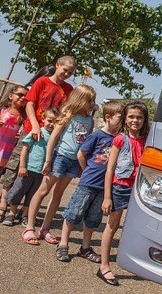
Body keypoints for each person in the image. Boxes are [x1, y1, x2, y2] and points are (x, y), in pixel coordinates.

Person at [22, 84, 96, 246]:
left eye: (93, 100)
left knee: (58, 195)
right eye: (89, 100)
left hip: (74, 162)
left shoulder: (90, 121)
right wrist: (48, 160)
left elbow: (86, 145)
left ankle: (45, 228)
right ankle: (29, 227)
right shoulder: (67, 114)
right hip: (60, 158)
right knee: (43, 191)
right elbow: (54, 139)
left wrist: (82, 167)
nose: (92, 103)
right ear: (79, 99)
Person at [55, 100, 123, 263]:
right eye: (120, 119)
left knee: (93, 218)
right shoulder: (97, 135)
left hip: (103, 188)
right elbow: (81, 154)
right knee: (73, 213)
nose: (122, 123)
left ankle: (85, 247)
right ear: (108, 117)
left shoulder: (120, 139)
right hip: (88, 183)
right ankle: (63, 243)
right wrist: (86, 170)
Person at [0, 64, 59, 223]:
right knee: (14, 167)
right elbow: (26, 104)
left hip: (46, 134)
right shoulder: (36, 85)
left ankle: (24, 210)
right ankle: (3, 204)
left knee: (33, 177)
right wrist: (34, 125)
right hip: (30, 129)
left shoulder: (64, 89)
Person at [97, 101, 149, 286]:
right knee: (112, 225)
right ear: (125, 119)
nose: (135, 120)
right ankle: (104, 266)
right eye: (131, 117)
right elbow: (110, 168)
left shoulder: (146, 140)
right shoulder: (120, 139)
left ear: (144, 120)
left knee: (135, 226)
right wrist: (107, 196)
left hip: (138, 188)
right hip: (120, 187)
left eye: (139, 117)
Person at [1, 108, 59, 226]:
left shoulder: (55, 137)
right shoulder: (37, 132)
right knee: (18, 190)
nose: (52, 124)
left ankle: (24, 215)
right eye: (49, 120)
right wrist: (22, 166)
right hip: (28, 169)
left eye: (55, 122)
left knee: (32, 195)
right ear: (43, 118)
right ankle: (12, 213)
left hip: (41, 173)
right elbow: (25, 149)